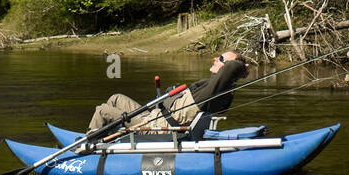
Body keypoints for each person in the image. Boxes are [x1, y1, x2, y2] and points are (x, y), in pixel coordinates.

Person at [86, 51, 250, 133]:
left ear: (228, 69)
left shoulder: (214, 91)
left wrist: (241, 67)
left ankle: (88, 145)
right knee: (116, 99)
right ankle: (106, 137)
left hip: (155, 127)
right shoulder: (210, 86)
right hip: (153, 117)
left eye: (221, 58)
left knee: (101, 111)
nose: (215, 58)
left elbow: (232, 67)